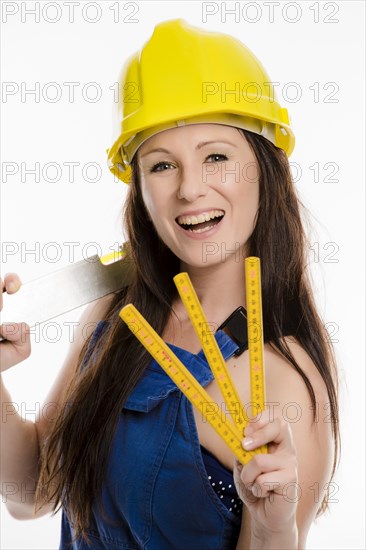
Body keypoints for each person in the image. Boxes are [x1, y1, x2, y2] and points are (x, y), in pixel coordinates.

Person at [0, 19, 340, 550]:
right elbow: (33, 494)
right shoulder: (115, 313)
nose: (189, 188)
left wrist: (274, 525)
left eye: (217, 156)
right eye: (162, 165)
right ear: (139, 187)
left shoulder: (281, 381)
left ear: (264, 168)